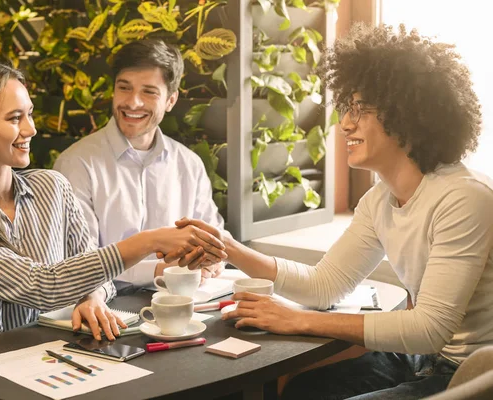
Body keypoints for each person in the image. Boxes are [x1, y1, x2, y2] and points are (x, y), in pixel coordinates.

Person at [176, 23, 493, 399]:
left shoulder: (464, 198)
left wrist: (297, 320)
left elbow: (429, 328)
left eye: (360, 110)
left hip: (472, 370)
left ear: (407, 115)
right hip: (421, 358)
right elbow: (323, 285)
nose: (345, 123)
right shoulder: (379, 201)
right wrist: (229, 248)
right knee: (302, 391)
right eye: (347, 107)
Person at [0, 61, 226, 399]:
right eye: (14, 118)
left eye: (30, 114)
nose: (31, 129)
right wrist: (148, 241)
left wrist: (91, 297)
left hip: (40, 369)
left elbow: (93, 270)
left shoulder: (52, 188)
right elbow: (41, 285)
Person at [53, 39, 226, 335]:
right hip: (109, 314)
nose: (132, 102)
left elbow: (212, 237)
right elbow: (80, 264)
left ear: (170, 100)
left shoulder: (190, 164)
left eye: (148, 92)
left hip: (185, 311)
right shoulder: (76, 164)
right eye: (124, 87)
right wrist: (161, 271)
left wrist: (210, 260)